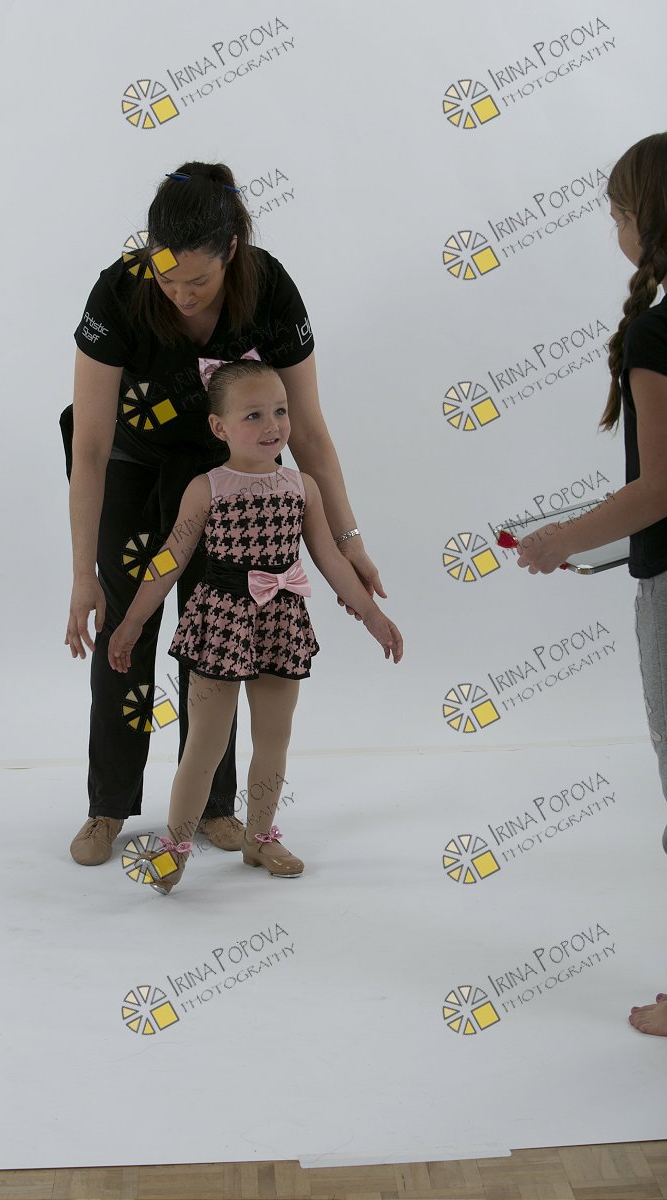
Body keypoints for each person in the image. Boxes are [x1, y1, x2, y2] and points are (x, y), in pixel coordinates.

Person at [63, 161, 389, 867]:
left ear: (232, 252)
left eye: (199, 282)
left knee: (225, 626)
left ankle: (214, 805)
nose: (181, 295)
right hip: (132, 465)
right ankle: (108, 805)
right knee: (125, 628)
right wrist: (83, 572)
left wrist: (348, 538)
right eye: (167, 279)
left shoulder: (269, 289)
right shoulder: (119, 289)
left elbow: (310, 432)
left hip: (231, 470)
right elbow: (87, 446)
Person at [106, 359, 403, 893]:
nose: (273, 426)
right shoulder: (207, 487)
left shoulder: (301, 487)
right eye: (253, 415)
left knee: (273, 739)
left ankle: (260, 837)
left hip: (281, 618)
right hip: (221, 619)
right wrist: (131, 622)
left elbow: (329, 559)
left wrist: (372, 615)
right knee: (205, 744)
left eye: (281, 411)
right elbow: (170, 558)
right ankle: (174, 849)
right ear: (218, 427)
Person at [513, 132, 667, 1036]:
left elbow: (660, 488)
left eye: (617, 213)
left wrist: (559, 540)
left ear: (646, 220)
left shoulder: (656, 333)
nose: (615, 228)